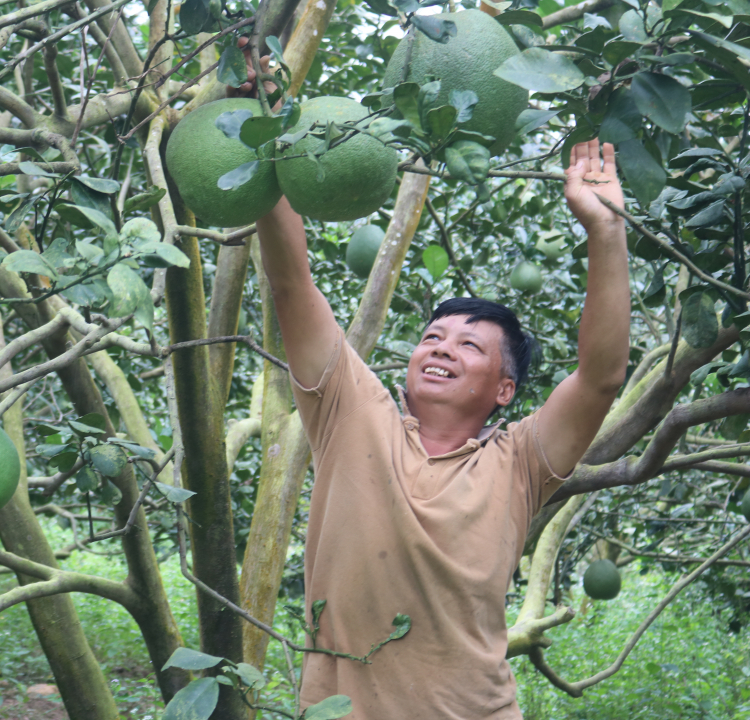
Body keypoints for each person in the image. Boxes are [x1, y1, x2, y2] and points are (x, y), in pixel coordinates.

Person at [243, 63, 630, 718]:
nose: (443, 346)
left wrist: (607, 232)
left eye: (470, 345)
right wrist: (269, 129)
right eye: (433, 337)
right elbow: (292, 286)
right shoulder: (352, 413)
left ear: (504, 391)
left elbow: (599, 377)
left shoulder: (518, 464)